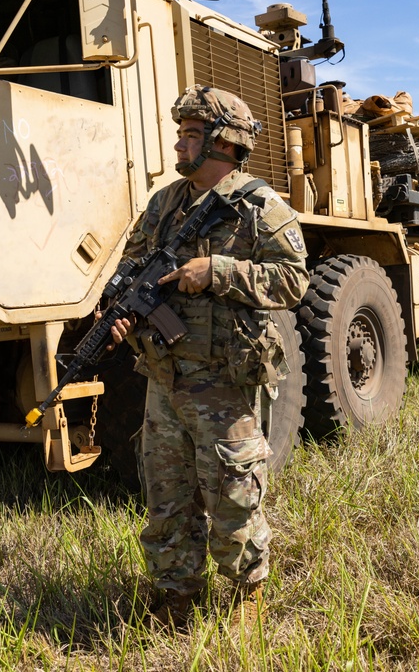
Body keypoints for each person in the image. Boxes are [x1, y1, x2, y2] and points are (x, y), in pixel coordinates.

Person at [108, 85, 309, 631]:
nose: (179, 143)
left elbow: (294, 281)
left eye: (191, 134)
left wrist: (218, 272)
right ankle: (175, 592)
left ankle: (246, 594)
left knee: (232, 491)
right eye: (180, 133)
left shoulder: (261, 205)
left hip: (223, 375)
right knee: (167, 491)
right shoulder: (165, 204)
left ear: (223, 143)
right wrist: (125, 308)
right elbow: (130, 264)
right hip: (164, 372)